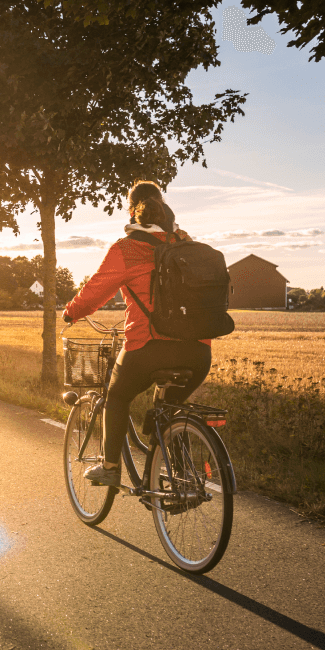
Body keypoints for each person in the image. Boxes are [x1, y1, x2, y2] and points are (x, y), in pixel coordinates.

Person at [61, 181, 212, 486]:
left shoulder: (127, 249)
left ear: (131, 211)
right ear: (164, 206)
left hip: (148, 347)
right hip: (198, 350)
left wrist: (71, 312)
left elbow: (95, 292)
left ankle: (110, 467)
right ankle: (180, 478)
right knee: (171, 408)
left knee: (117, 396)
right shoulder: (187, 244)